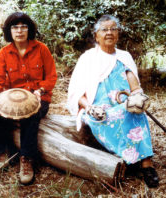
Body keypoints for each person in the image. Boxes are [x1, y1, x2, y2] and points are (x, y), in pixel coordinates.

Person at [67, 15, 159, 188]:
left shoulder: (124, 56)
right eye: (104, 29)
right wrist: (89, 107)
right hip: (98, 108)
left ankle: (147, 164)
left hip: (124, 104)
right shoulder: (87, 58)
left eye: (113, 29)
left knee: (135, 113)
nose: (109, 33)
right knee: (107, 116)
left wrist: (138, 96)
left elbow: (134, 83)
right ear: (96, 36)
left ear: (118, 34)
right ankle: (128, 158)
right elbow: (76, 92)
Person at [0, 12, 57, 184]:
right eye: (15, 27)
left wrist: (40, 91)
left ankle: (26, 158)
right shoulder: (3, 53)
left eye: (23, 27)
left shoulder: (41, 49)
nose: (19, 31)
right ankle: (3, 152)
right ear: (9, 31)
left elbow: (52, 77)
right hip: (12, 100)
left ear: (29, 29)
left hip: (39, 97)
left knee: (31, 115)